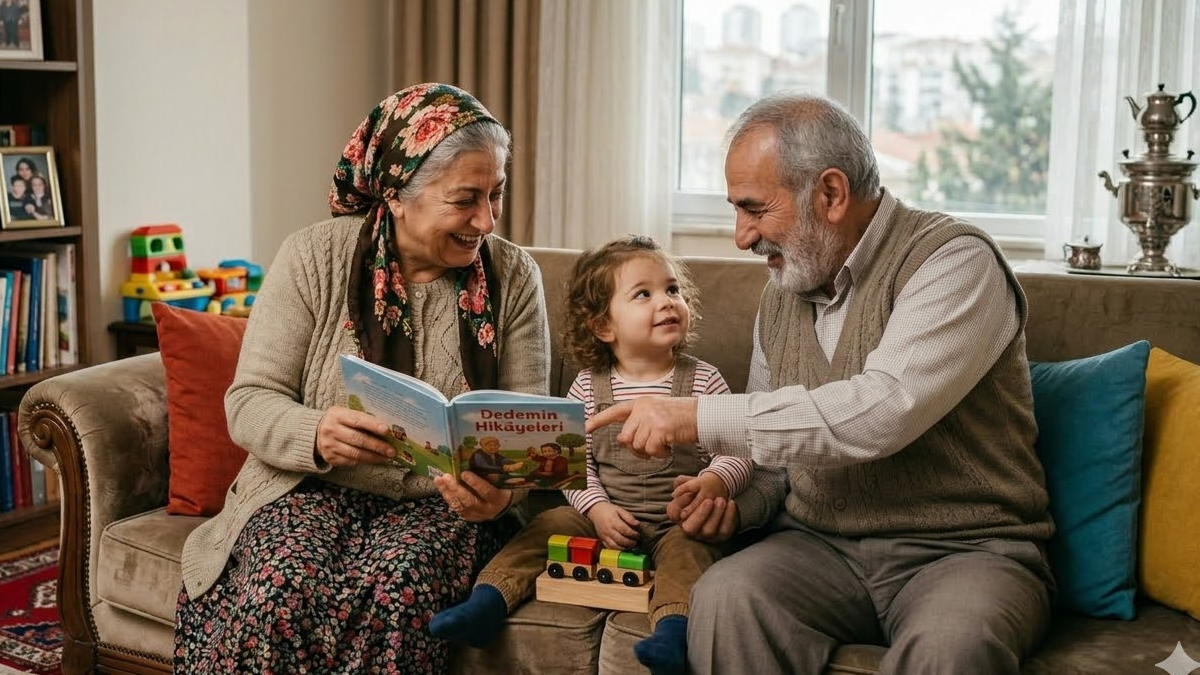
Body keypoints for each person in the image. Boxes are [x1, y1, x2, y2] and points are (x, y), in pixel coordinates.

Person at [588, 94, 1056, 675]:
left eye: (754, 209)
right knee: (728, 596)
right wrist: (732, 503)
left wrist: (693, 416)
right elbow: (774, 462)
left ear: (831, 194)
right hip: (820, 547)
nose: (741, 236)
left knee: (950, 650)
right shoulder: (781, 292)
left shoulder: (955, 262)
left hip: (965, 552)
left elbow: (881, 412)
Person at [173, 83, 552, 675]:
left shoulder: (514, 276)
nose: (487, 219)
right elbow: (247, 401)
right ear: (398, 195)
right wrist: (315, 430)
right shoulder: (311, 257)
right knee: (281, 586)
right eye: (465, 200)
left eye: (496, 194)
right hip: (307, 487)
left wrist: (504, 492)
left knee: (397, 588)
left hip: (443, 509)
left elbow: (529, 426)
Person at [431, 235, 755, 675]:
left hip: (676, 518)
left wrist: (714, 483)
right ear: (605, 326)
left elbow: (738, 450)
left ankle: (672, 636)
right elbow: (571, 466)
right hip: (601, 516)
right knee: (545, 527)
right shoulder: (587, 386)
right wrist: (598, 509)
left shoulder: (703, 381)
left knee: (692, 553)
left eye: (673, 290)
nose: (667, 302)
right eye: (644, 294)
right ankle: (485, 605)